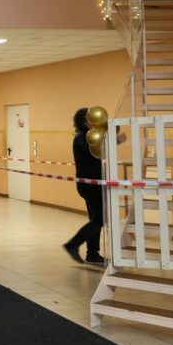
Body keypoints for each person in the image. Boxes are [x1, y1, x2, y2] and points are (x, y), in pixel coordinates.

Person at [63, 108, 114, 266]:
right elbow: (95, 149)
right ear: (85, 121)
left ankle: (92, 254)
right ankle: (72, 244)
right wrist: (114, 139)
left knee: (96, 218)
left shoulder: (88, 135)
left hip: (93, 184)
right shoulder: (81, 137)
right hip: (89, 185)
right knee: (100, 218)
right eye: (91, 119)